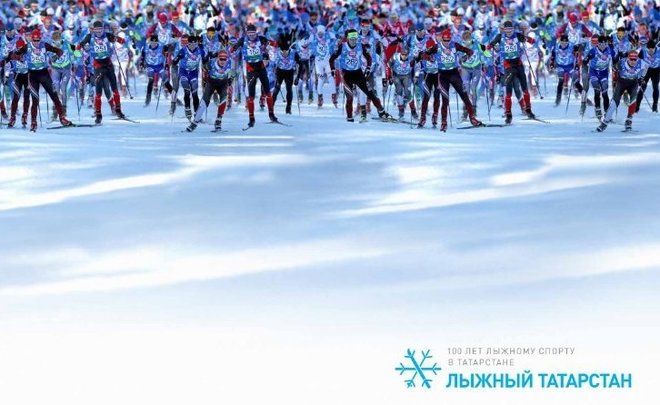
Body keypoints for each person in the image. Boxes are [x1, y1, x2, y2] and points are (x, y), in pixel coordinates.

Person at [10, 28, 72, 131]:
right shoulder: (27, 47)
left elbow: (59, 51)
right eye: (34, 40)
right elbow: (14, 55)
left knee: (55, 96)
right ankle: (33, 122)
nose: (36, 42)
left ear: (40, 39)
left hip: (44, 74)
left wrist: (55, 57)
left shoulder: (44, 45)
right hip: (32, 76)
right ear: (31, 39)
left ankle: (62, 118)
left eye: (38, 40)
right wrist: (19, 57)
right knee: (35, 100)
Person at [329, 29, 394, 122]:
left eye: (355, 39)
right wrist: (333, 69)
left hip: (358, 73)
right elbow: (331, 59)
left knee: (370, 93)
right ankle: (350, 117)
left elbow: (369, 58)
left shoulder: (360, 46)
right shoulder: (342, 47)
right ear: (348, 39)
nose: (353, 41)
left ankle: (382, 112)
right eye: (351, 39)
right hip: (346, 74)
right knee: (350, 97)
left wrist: (368, 68)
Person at [77, 20, 127, 124]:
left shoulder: (107, 35)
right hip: (98, 66)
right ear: (93, 30)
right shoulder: (90, 37)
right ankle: (98, 115)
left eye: (100, 30)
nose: (99, 32)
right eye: (96, 30)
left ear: (103, 29)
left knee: (115, 89)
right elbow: (80, 44)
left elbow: (121, 41)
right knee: (98, 92)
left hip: (108, 65)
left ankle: (118, 111)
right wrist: (77, 49)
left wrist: (118, 39)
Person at [230, 23, 277, 127]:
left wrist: (274, 44)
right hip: (250, 69)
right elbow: (233, 48)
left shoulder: (261, 39)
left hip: (261, 68)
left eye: (253, 34)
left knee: (268, 93)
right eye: (249, 34)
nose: (251, 36)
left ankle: (271, 115)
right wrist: (233, 48)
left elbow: (273, 44)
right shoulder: (242, 40)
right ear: (246, 33)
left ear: (256, 33)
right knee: (251, 96)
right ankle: (251, 118)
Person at [596, 50, 644, 132]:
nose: (633, 61)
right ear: (628, 58)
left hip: (633, 83)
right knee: (614, 103)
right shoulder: (621, 62)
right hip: (622, 82)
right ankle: (604, 123)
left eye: (635, 59)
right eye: (631, 59)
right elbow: (614, 69)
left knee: (633, 101)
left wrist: (641, 78)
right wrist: (615, 77)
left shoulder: (640, 62)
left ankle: (628, 121)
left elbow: (645, 68)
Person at [186, 49, 232, 132]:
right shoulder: (212, 62)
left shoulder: (229, 62)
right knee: (204, 102)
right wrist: (204, 79)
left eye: (224, 59)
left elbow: (232, 72)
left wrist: (230, 79)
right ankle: (194, 123)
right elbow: (204, 68)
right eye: (221, 59)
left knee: (223, 100)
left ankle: (218, 122)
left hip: (222, 83)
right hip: (211, 83)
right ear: (218, 58)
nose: (223, 61)